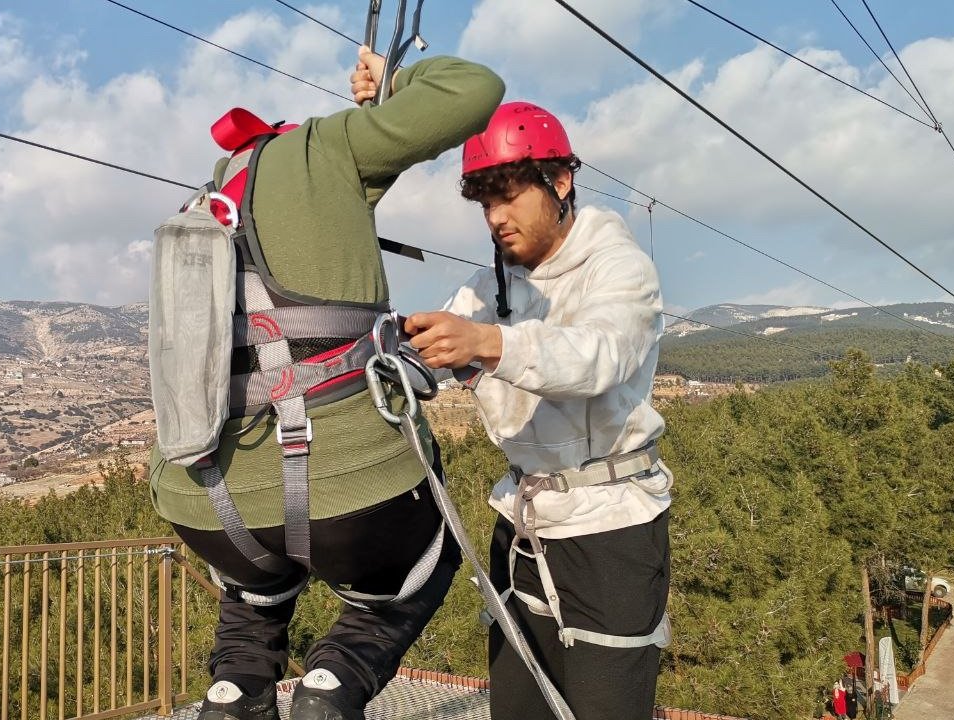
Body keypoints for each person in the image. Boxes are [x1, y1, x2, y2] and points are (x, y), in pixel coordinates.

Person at [149, 48, 504, 720]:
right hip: (350, 491)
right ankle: (334, 683)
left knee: (256, 592)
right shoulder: (328, 144)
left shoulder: (210, 200)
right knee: (420, 568)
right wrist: (395, 86)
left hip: (204, 500)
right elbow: (472, 87)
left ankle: (234, 693)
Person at [404, 101, 673, 720]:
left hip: (610, 531)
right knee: (518, 711)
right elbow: (442, 349)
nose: (496, 219)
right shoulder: (488, 285)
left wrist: (488, 343)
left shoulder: (620, 270)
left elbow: (597, 356)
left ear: (559, 182)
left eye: (509, 197)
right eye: (485, 204)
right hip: (524, 523)